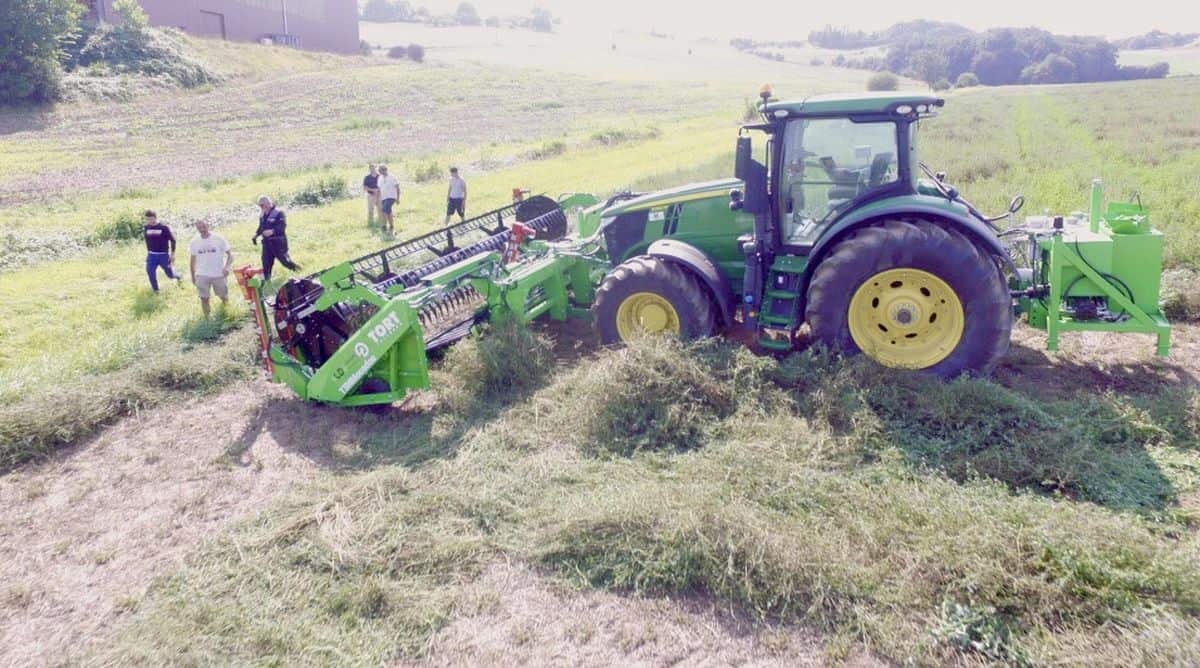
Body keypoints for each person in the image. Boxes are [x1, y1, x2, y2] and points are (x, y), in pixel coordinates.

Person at [189, 220, 233, 317]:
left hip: (218, 273)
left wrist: (227, 267)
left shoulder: (219, 238)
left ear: (208, 225)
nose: (202, 229)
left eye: (204, 226)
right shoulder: (194, 242)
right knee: (204, 298)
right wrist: (193, 276)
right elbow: (192, 261)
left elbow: (230, 255)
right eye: (199, 228)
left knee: (223, 296)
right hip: (202, 274)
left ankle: (228, 314)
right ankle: (207, 319)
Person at [252, 195, 302, 281]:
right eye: (260, 205)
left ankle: (299, 270)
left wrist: (272, 231)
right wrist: (256, 235)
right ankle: (267, 281)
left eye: (262, 205)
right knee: (266, 262)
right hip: (267, 243)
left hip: (278, 242)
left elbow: (282, 226)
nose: (261, 207)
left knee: (285, 261)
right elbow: (261, 227)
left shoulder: (278, 213)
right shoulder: (262, 215)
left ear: (268, 203)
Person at [141, 210, 181, 291]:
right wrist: (149, 253)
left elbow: (173, 240)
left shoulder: (163, 227)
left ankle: (178, 276)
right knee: (150, 272)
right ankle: (156, 290)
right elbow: (147, 240)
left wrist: (172, 254)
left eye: (150, 219)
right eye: (147, 219)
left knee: (170, 275)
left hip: (163, 256)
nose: (149, 221)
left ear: (155, 218)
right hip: (152, 256)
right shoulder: (146, 227)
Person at [376, 164, 400, 233]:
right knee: (388, 211)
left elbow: (398, 188)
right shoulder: (380, 178)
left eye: (380, 171)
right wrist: (377, 199)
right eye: (379, 171)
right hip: (384, 198)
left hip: (391, 196)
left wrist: (398, 198)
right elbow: (379, 189)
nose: (380, 172)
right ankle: (391, 225)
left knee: (384, 209)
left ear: (385, 170)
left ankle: (384, 225)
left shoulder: (392, 177)